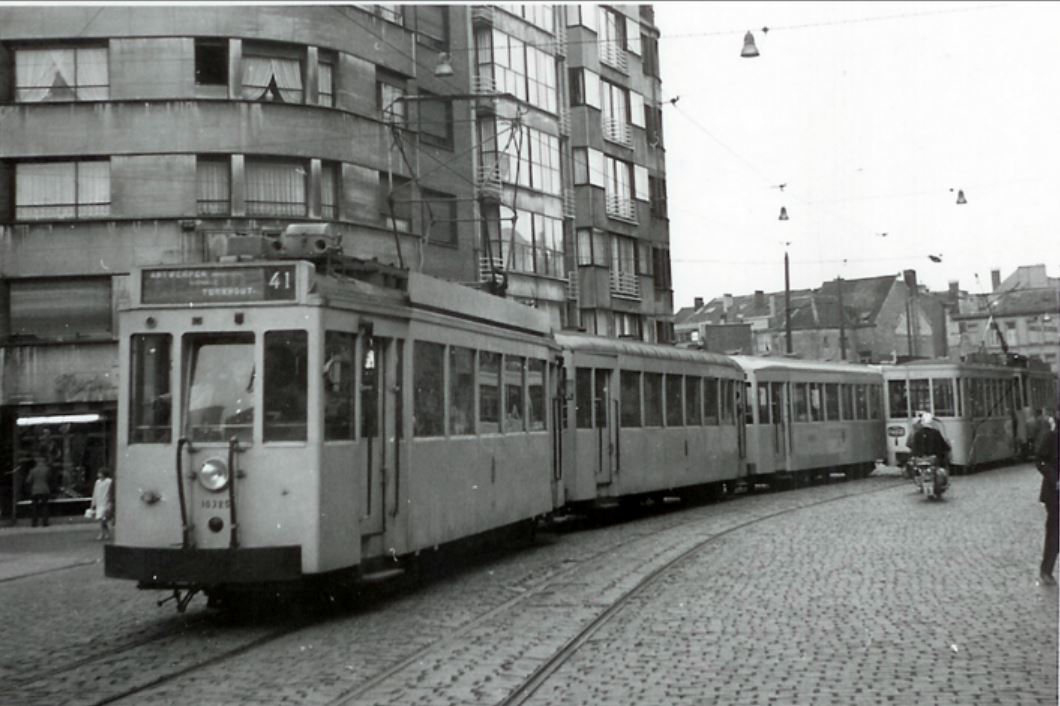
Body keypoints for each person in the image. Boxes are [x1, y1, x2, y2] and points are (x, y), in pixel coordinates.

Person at [1035, 414, 1058, 587]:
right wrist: (1056, 479)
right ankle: (1046, 570)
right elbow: (1040, 461)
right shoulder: (1052, 437)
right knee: (1055, 533)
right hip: (1055, 493)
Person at [90, 467, 115, 541]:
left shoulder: (109, 481)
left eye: (100, 473)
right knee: (101, 519)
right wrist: (93, 502)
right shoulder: (97, 482)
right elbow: (95, 492)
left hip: (106, 501)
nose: (98, 474)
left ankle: (103, 533)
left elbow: (110, 491)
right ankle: (105, 533)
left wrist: (110, 501)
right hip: (99, 501)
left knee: (103, 519)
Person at [25, 460, 51, 528]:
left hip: (35, 490)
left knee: (34, 507)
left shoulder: (33, 470)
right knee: (44, 506)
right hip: (45, 490)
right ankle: (45, 522)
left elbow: (28, 480)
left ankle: (34, 523)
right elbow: (50, 479)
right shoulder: (47, 469)